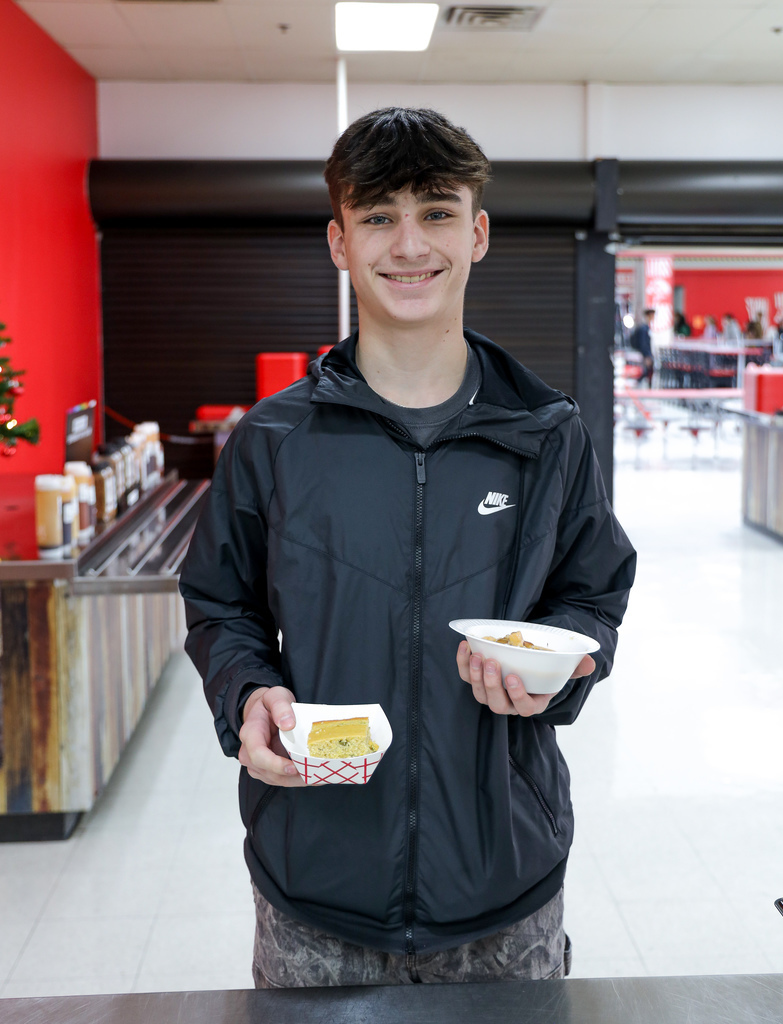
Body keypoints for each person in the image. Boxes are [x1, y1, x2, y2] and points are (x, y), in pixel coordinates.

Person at [180, 107, 636, 989]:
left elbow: (592, 593)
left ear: (478, 233)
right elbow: (220, 605)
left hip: (506, 879)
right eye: (377, 216)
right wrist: (247, 691)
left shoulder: (546, 435)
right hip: (314, 882)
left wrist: (568, 663)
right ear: (338, 242)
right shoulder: (273, 439)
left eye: (434, 211)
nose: (408, 243)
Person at [629, 308, 655, 386]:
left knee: (647, 371)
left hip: (644, 353)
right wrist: (647, 355)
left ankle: (638, 383)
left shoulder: (645, 327)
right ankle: (637, 383)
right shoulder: (644, 328)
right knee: (646, 370)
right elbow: (643, 343)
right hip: (644, 353)